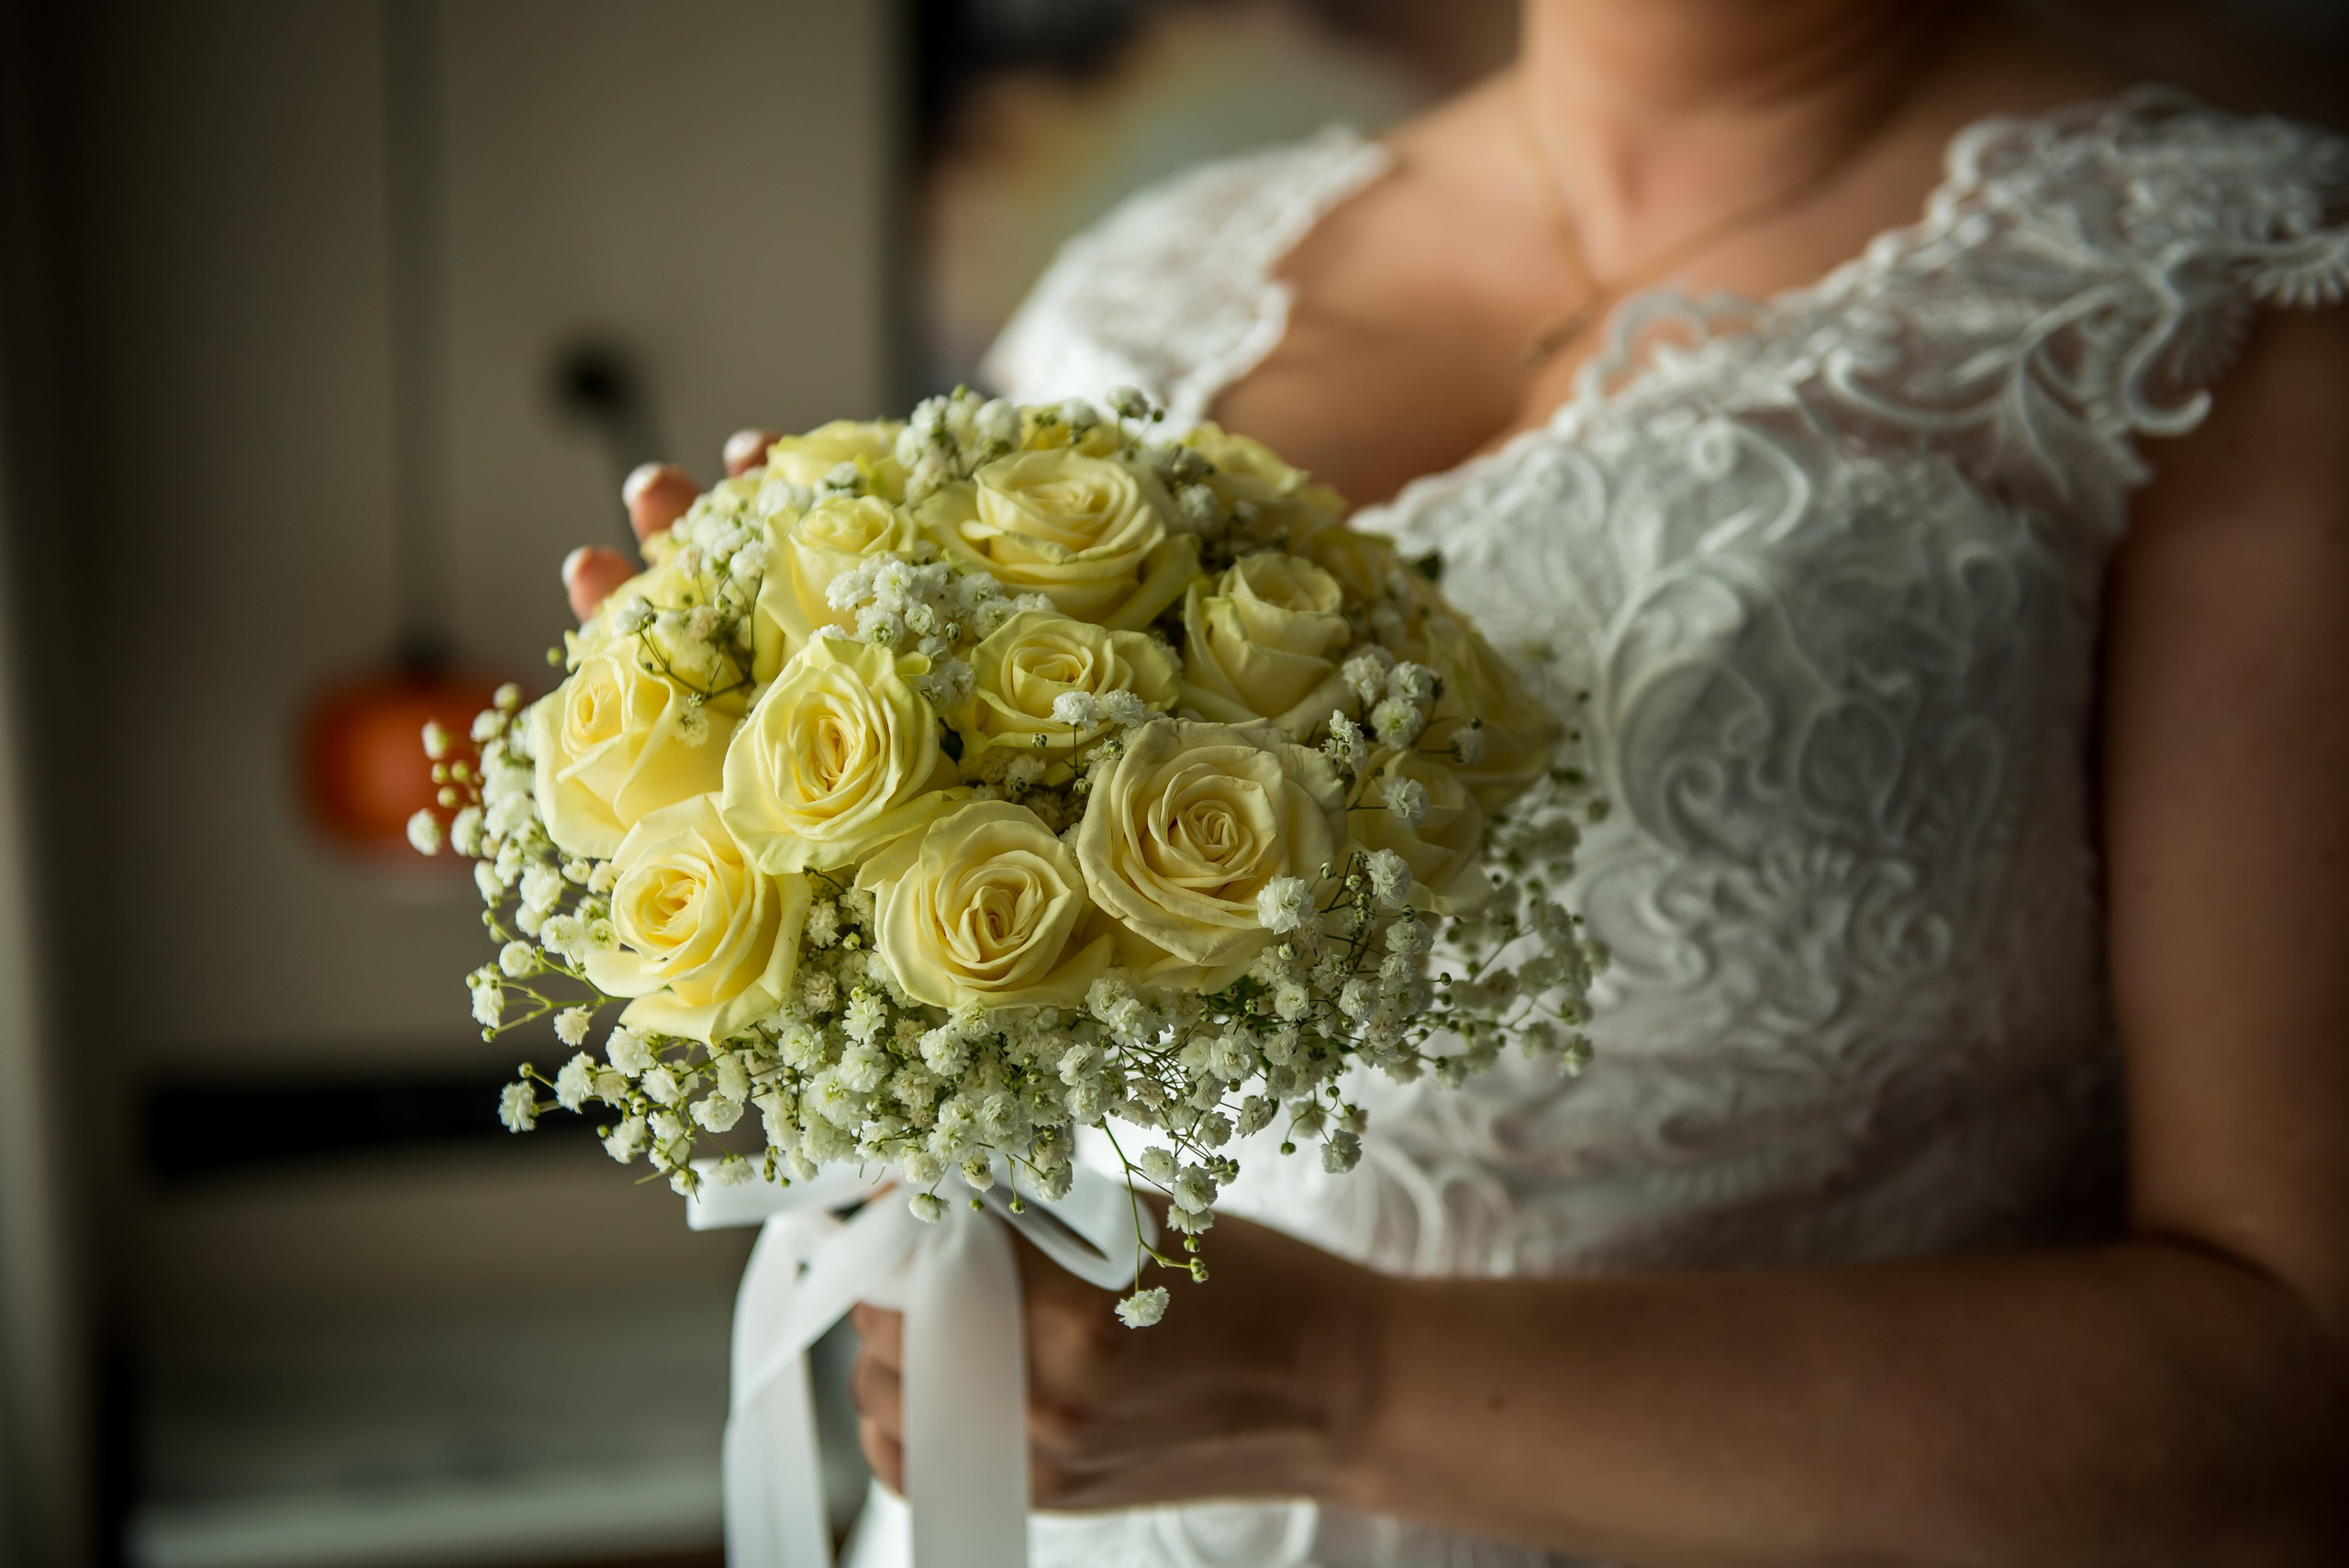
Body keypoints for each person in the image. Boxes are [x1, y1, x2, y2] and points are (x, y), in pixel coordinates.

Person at [565, 1, 2349, 1560]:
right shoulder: (1140, 284)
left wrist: (1340, 1384)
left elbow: (2292, 1396)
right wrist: (763, 815)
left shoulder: (2231, 293)